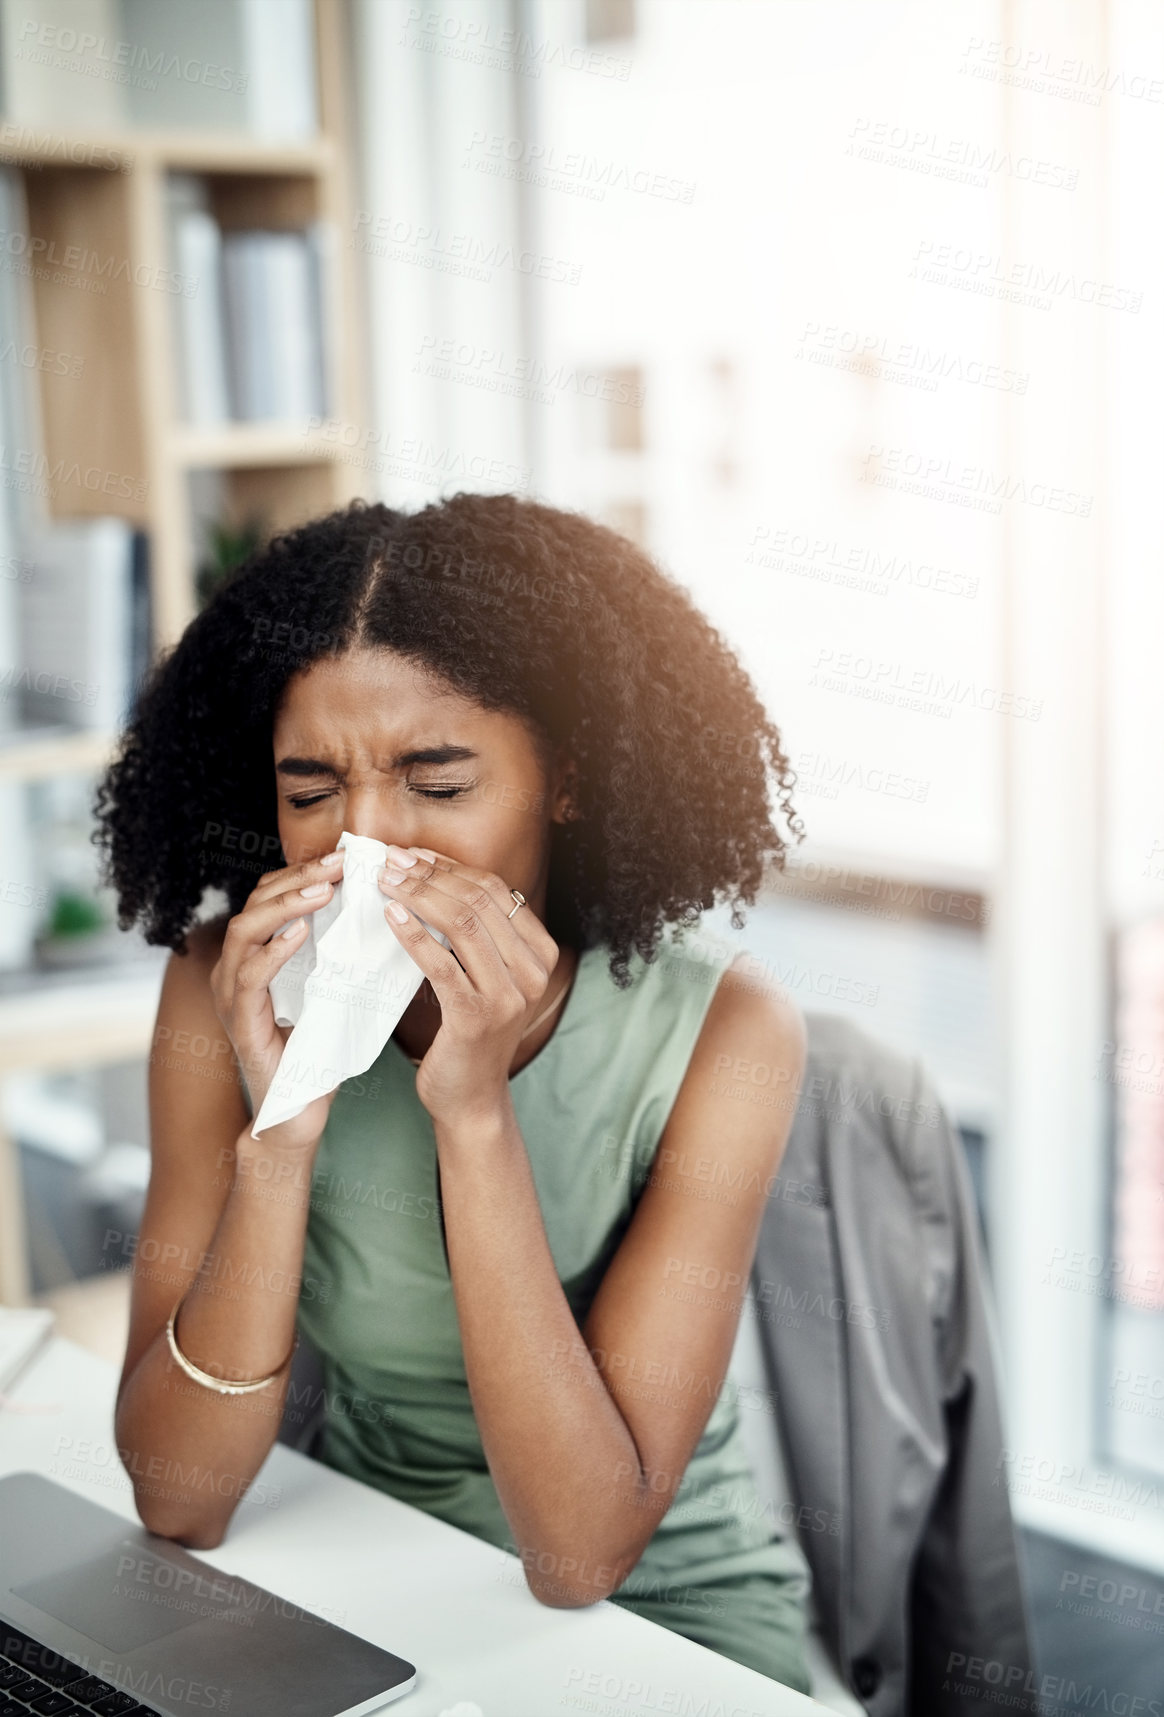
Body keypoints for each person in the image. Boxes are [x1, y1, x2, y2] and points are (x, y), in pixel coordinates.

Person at [95, 492, 811, 1691]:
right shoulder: (218, 990)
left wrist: (473, 1112)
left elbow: (580, 1553)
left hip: (661, 1621)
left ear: (566, 781)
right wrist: (283, 1124)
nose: (364, 843)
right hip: (372, 1580)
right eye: (312, 791)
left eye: (437, 780)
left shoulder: (731, 1029)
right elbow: (177, 1502)